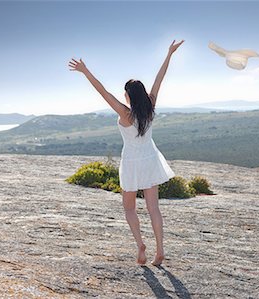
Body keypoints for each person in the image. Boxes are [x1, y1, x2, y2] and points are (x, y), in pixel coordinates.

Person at [68, 39, 184, 265]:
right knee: (154, 209)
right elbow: (160, 78)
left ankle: (141, 244)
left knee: (129, 208)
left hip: (131, 163)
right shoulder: (150, 108)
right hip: (150, 159)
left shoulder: (124, 113)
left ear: (129, 96)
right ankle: (160, 250)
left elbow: (102, 91)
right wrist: (169, 54)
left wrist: (85, 71)